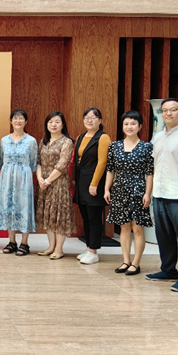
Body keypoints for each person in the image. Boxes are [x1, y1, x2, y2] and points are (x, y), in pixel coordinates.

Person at [146, 98, 178, 292]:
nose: (168, 113)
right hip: (160, 193)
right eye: (165, 110)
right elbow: (154, 166)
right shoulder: (158, 137)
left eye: (173, 110)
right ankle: (168, 270)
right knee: (164, 236)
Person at [104, 110, 153, 276]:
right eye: (126, 124)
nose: (129, 127)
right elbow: (110, 169)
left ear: (140, 126)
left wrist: (148, 193)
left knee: (137, 228)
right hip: (119, 190)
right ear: (122, 126)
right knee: (124, 228)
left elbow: (150, 173)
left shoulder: (147, 147)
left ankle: (136, 263)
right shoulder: (114, 146)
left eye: (133, 123)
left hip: (138, 190)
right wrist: (107, 189)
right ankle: (126, 260)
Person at [0, 109, 37, 256]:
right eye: (15, 118)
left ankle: (24, 243)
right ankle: (12, 241)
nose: (18, 121)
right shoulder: (4, 140)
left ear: (26, 122)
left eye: (21, 118)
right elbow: (1, 161)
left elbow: (33, 162)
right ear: (11, 121)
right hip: (7, 178)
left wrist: (21, 172)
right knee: (7, 206)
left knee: (24, 207)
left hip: (23, 179)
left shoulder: (31, 141)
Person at [73, 108, 111, 265]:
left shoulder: (103, 138)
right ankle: (88, 247)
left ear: (100, 120)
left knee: (94, 218)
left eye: (93, 117)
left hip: (94, 182)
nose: (89, 120)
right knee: (86, 217)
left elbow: (102, 162)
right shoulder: (80, 137)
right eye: (86, 117)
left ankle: (94, 251)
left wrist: (94, 184)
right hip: (81, 182)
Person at [36, 111, 75, 259]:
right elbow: (38, 162)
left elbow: (62, 165)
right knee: (48, 215)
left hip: (58, 183)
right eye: (50, 122)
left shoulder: (67, 142)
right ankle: (51, 246)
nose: (53, 124)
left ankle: (59, 249)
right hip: (44, 184)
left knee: (59, 216)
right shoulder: (43, 141)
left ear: (63, 125)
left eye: (57, 122)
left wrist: (47, 181)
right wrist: (40, 178)